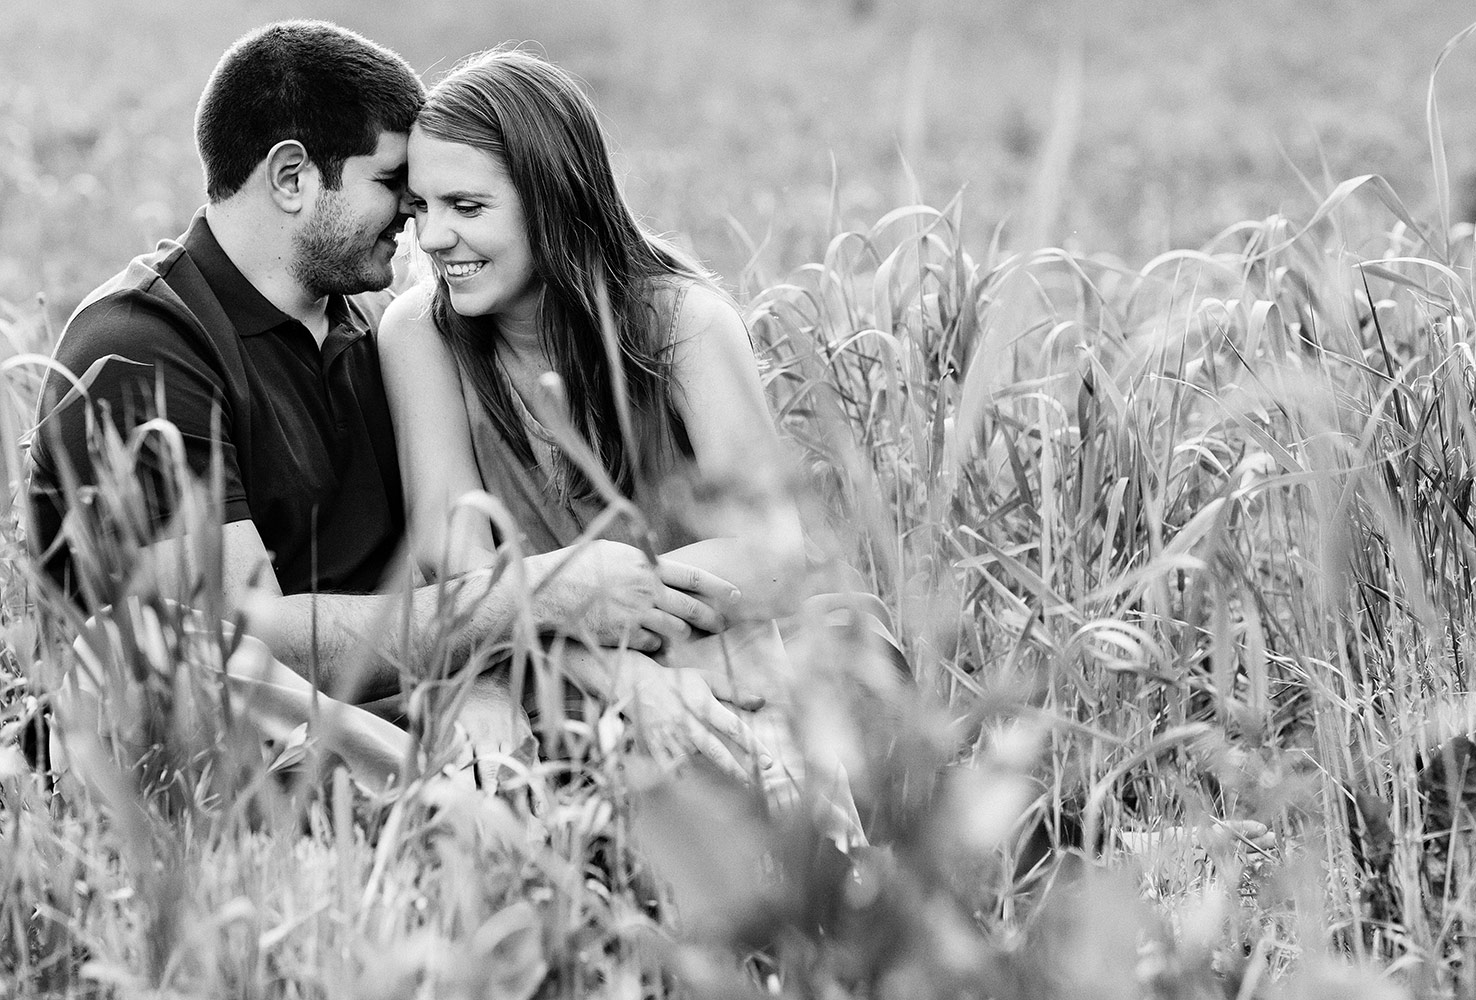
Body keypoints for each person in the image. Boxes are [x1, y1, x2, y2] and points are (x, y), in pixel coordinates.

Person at [26, 22, 741, 788]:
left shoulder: (379, 327)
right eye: (394, 182)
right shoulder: (141, 348)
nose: (416, 218)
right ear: (292, 177)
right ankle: (466, 808)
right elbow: (237, 639)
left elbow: (446, 560)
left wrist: (488, 674)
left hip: (434, 697)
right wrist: (534, 600)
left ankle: (530, 800)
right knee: (163, 654)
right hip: (254, 734)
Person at [380, 48, 868, 823]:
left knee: (782, 837)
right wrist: (617, 668)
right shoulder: (418, 333)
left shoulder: (683, 323)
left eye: (466, 208)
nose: (433, 237)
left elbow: (774, 557)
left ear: (553, 198)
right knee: (486, 806)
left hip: (707, 664)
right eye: (419, 209)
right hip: (521, 676)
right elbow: (461, 574)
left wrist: (590, 603)